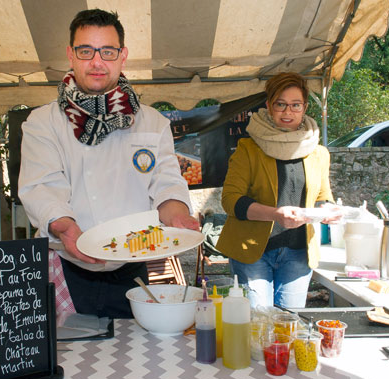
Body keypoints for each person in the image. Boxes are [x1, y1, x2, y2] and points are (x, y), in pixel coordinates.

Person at [18, 9, 198, 319]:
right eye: (86, 51)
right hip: (65, 267)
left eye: (108, 51)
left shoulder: (152, 122)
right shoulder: (42, 122)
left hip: (135, 268)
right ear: (70, 55)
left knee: (135, 360)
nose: (97, 62)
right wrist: (65, 226)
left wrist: (178, 214)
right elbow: (41, 188)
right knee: (65, 362)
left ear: (122, 56)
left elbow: (167, 183)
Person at [216, 72, 340, 309]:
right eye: (280, 104)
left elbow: (323, 197)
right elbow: (230, 200)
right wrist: (276, 214)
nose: (288, 112)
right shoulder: (248, 148)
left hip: (298, 253)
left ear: (304, 107)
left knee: (289, 326)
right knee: (258, 326)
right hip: (252, 252)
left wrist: (329, 211)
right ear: (269, 106)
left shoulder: (318, 152)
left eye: (295, 105)